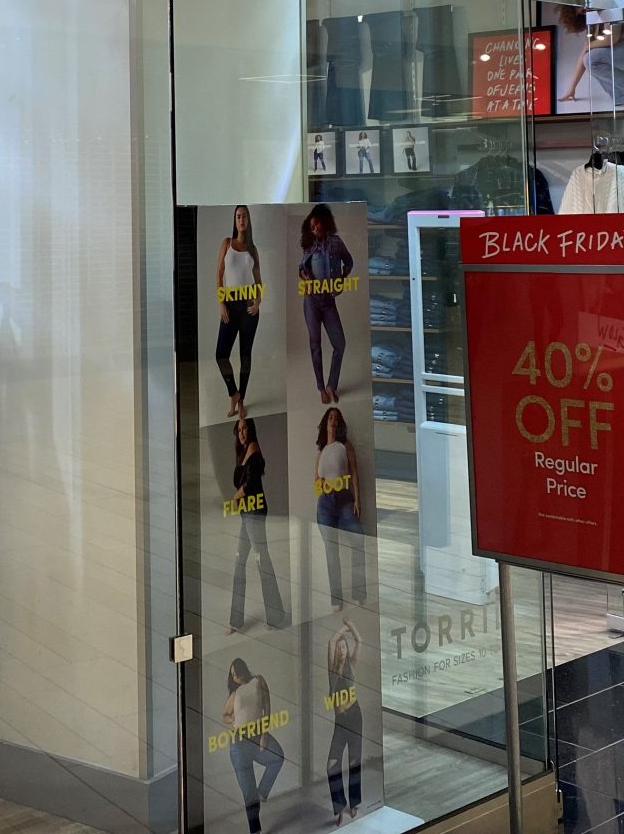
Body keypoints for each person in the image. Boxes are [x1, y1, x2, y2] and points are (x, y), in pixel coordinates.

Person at [229, 416, 287, 634]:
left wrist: (236, 496)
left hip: (254, 511)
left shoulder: (253, 448)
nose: (242, 433)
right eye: (239, 430)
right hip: (247, 512)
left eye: (245, 428)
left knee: (262, 559)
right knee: (239, 561)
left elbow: (251, 483)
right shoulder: (243, 452)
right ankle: (236, 621)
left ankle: (275, 617)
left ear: (251, 430)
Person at [222, 658, 284, 834]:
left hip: (257, 735)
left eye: (236, 673)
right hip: (239, 743)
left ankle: (262, 793)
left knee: (277, 757)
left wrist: (264, 734)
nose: (235, 677)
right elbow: (224, 715)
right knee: (249, 792)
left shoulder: (258, 681)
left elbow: (267, 706)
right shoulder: (234, 694)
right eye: (232, 675)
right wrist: (231, 719)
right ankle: (255, 830)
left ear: (243, 670)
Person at [299, 204, 354, 403]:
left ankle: (332, 385)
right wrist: (306, 278)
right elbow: (301, 268)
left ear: (325, 222)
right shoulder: (309, 245)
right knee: (315, 345)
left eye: (317, 224)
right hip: (311, 302)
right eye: (311, 226)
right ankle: (321, 388)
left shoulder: (336, 243)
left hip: (328, 301)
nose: (314, 228)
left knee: (340, 344)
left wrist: (342, 278)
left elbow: (349, 262)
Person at [315, 408, 366, 608]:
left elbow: (354, 472)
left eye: (336, 418)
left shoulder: (345, 446)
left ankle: (359, 592)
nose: (333, 420)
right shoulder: (321, 451)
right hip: (325, 503)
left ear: (340, 423)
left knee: (358, 540)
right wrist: (321, 484)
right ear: (325, 422)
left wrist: (358, 500)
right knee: (331, 551)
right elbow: (316, 481)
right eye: (330, 417)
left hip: (345, 499)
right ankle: (336, 599)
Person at [214, 205, 261, 418]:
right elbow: (219, 275)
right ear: (235, 220)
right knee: (220, 355)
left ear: (249, 220)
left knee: (245, 356)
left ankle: (242, 401)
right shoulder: (227, 243)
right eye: (238, 216)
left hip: (249, 306)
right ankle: (234, 393)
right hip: (230, 304)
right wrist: (221, 303)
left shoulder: (253, 249)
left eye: (245, 216)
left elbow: (258, 281)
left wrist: (258, 302)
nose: (242, 219)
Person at [326, 621, 363, 826]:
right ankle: (339, 806)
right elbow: (331, 642)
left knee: (354, 760)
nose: (341, 649)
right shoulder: (332, 670)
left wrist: (350, 625)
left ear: (347, 649)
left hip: (355, 715)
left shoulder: (352, 664)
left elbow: (360, 640)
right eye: (339, 647)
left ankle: (355, 801)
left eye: (344, 646)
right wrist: (342, 629)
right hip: (340, 720)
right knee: (332, 765)